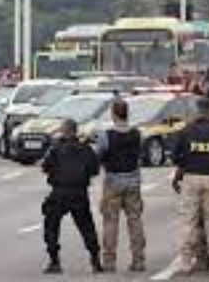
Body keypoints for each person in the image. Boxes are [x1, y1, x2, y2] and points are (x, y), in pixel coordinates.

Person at [172, 98, 209, 274]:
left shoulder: (185, 132)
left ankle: (186, 262)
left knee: (189, 220)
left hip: (190, 177)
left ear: (197, 111)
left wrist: (186, 163)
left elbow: (175, 156)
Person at [41, 119, 103, 275]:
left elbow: (46, 167)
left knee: (51, 224)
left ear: (64, 131)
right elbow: (95, 169)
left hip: (60, 191)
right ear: (75, 132)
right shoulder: (86, 149)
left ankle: (54, 261)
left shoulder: (55, 149)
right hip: (79, 192)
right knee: (86, 226)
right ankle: (95, 260)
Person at [95, 98, 146, 272]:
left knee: (110, 221)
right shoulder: (137, 133)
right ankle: (138, 260)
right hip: (133, 180)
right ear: (127, 113)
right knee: (135, 220)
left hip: (113, 181)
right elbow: (140, 153)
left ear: (113, 114)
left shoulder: (106, 135)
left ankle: (109, 261)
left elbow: (99, 155)